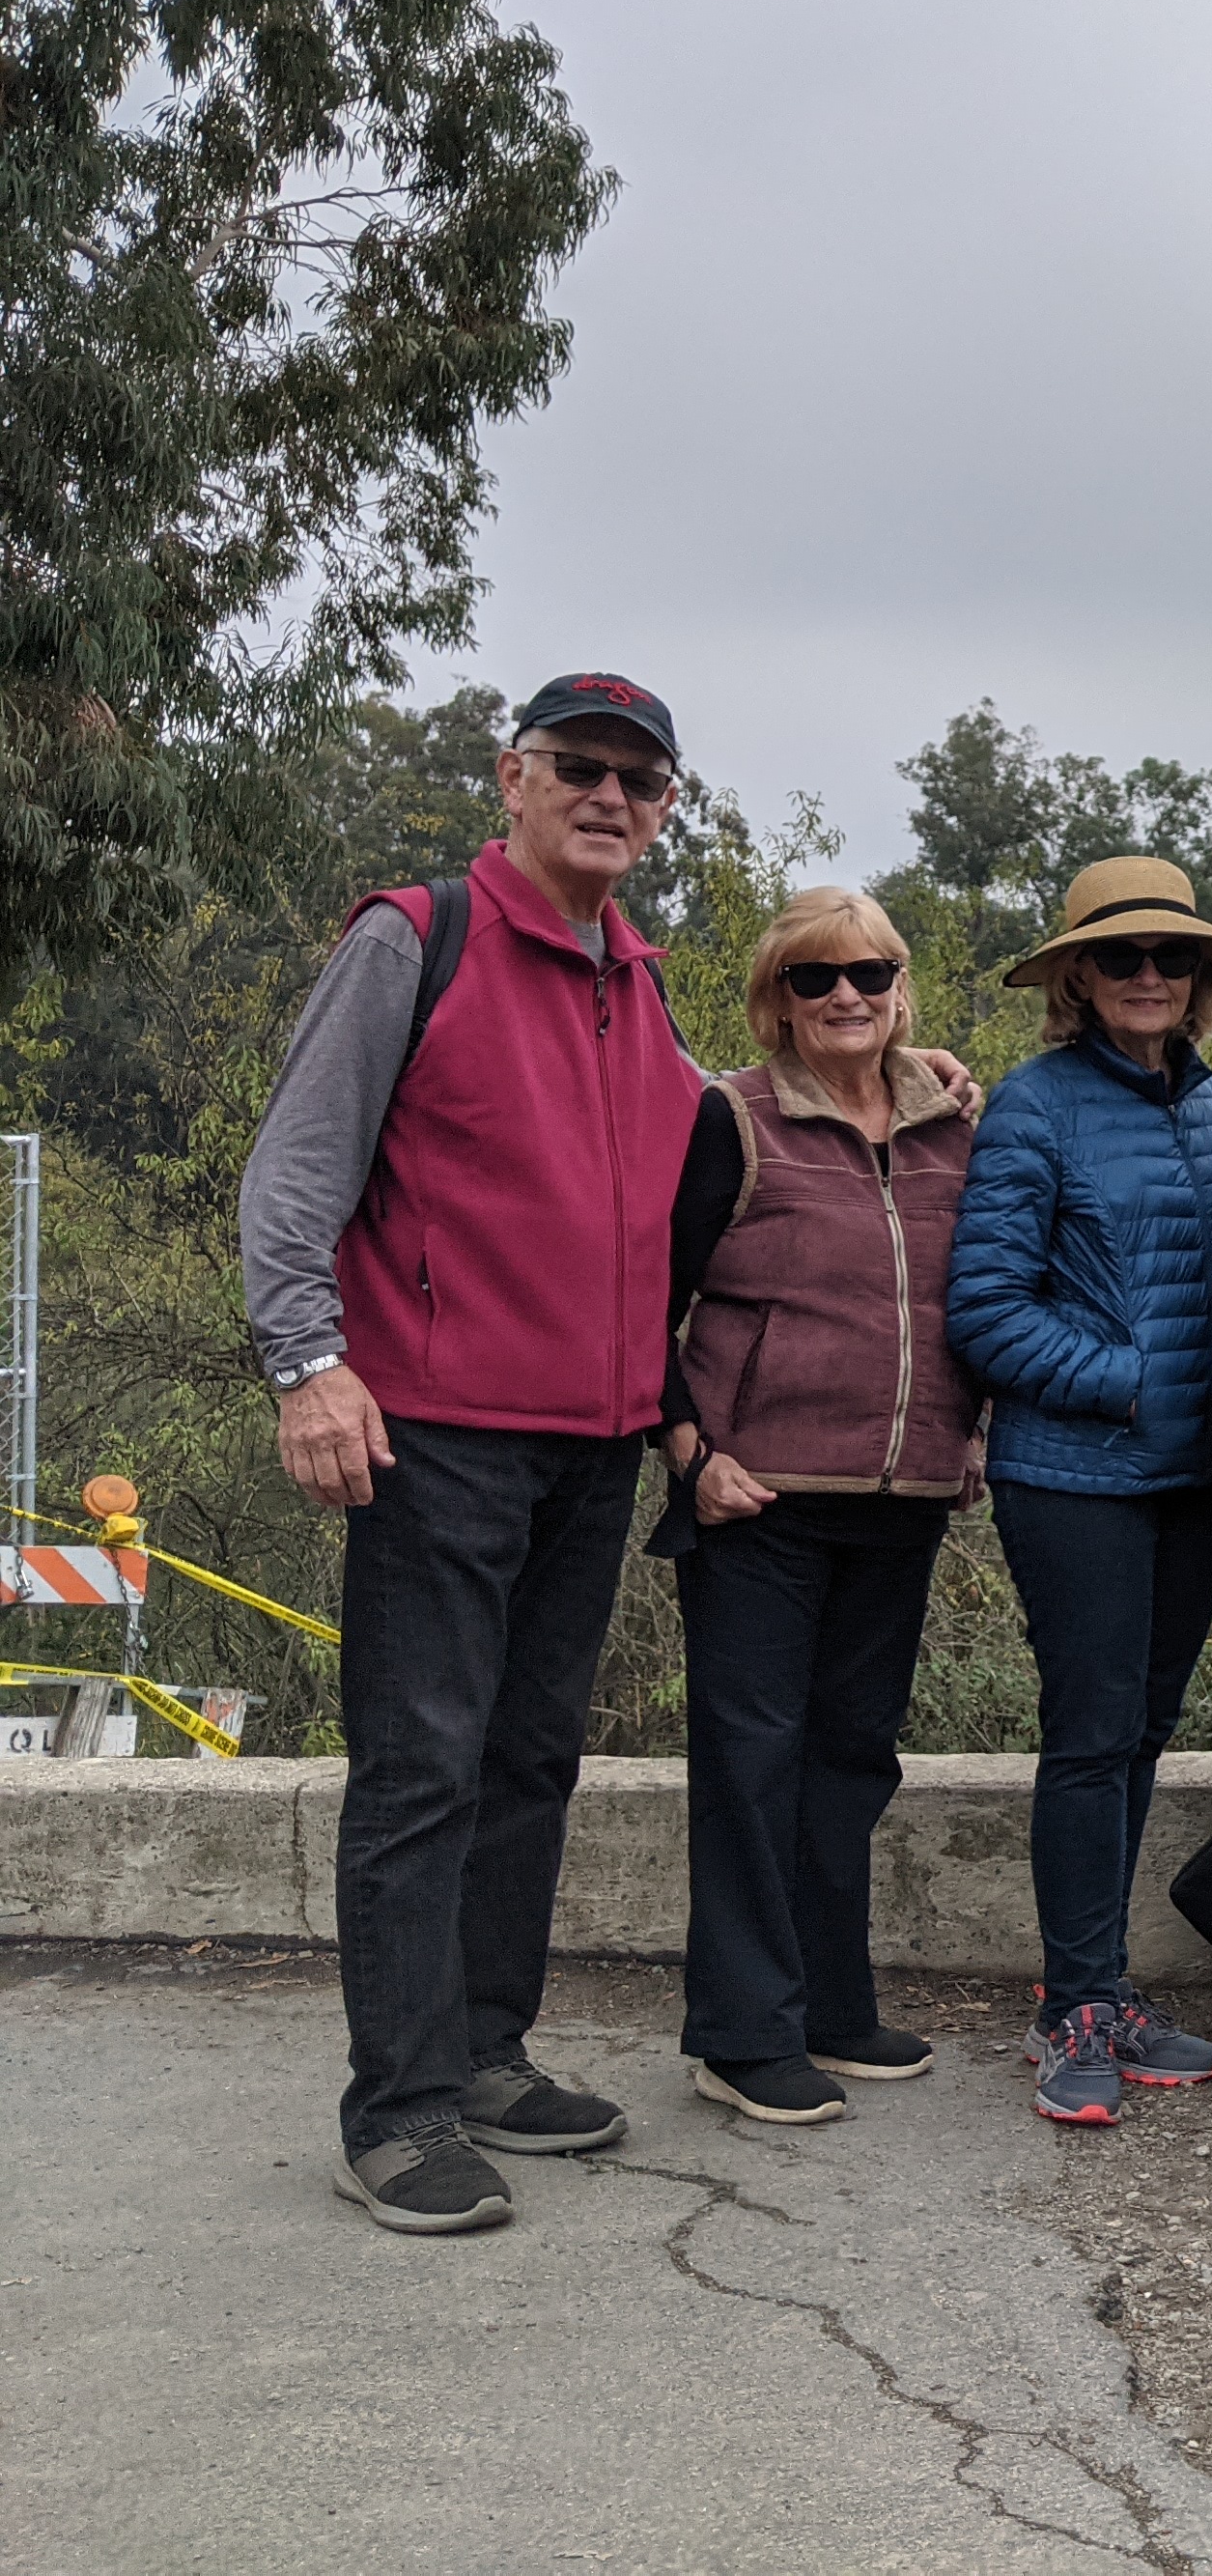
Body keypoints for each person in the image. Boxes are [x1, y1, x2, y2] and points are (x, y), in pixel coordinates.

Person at [239, 674, 701, 2232]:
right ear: (512, 775)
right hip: (434, 1429)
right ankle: (403, 2105)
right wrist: (310, 1364)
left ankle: (488, 2049)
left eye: (641, 779)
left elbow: (707, 1159)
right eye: (579, 765)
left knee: (529, 1759)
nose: (610, 795)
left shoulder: (636, 979)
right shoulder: (415, 935)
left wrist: (908, 1085)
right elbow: (296, 1172)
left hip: (595, 1439)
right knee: (424, 1763)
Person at [655, 886, 981, 2128]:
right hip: (758, 1500)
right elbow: (651, 1299)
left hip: (902, 1494)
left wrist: (977, 1436)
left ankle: (832, 2006)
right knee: (750, 1762)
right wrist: (689, 1451)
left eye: (870, 970)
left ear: (901, 984)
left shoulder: (956, 1124)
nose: (845, 993)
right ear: (775, 997)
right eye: (814, 976)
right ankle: (741, 2034)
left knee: (851, 1759)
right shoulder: (730, 1118)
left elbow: (978, 1295)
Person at [947, 856, 1212, 2128]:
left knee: (1141, 1731)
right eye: (1122, 957)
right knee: (1088, 1734)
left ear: (1198, 981)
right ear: (1078, 973)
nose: (1148, 976)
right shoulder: (1034, 1108)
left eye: (1170, 958)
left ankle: (1106, 1989)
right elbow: (986, 1313)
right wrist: (1133, 1382)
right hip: (1076, 1472)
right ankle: (1074, 1998)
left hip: (1200, 1477)